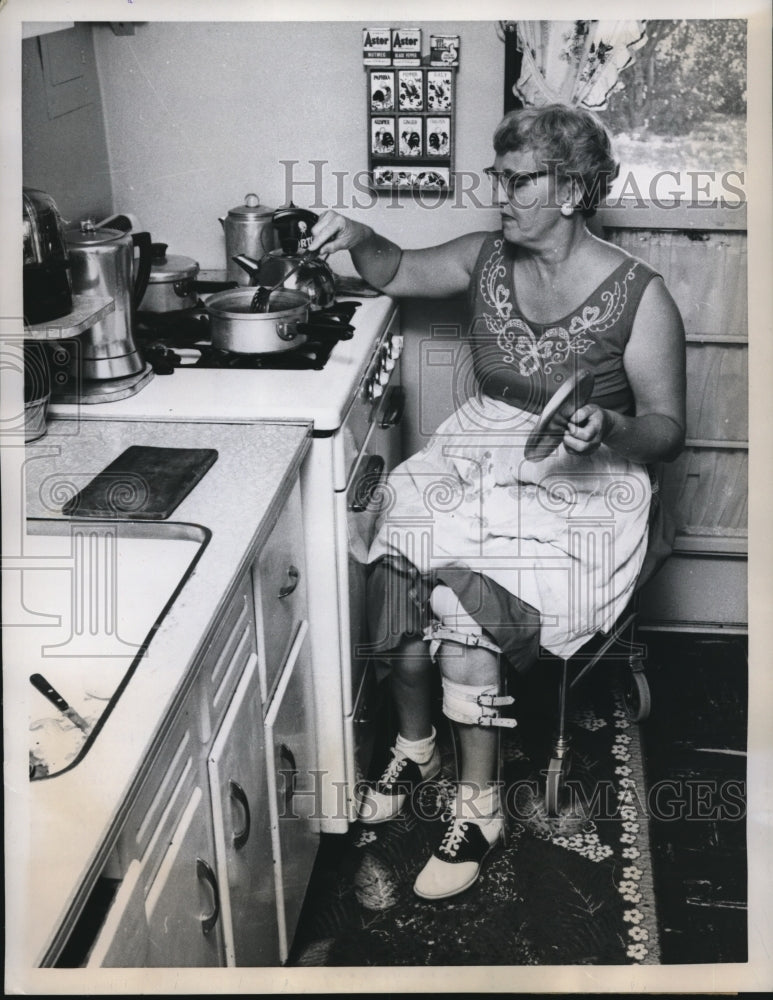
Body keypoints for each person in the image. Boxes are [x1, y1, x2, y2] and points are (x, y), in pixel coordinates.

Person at [308, 104, 686, 901]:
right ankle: (418, 750)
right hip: (479, 451)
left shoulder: (639, 296)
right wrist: (357, 234)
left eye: (518, 182)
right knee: (389, 558)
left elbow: (665, 429)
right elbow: (393, 269)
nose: (499, 196)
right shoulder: (484, 257)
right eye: (497, 177)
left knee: (464, 603)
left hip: (586, 481)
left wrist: (611, 426)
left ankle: (479, 810)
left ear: (571, 191)